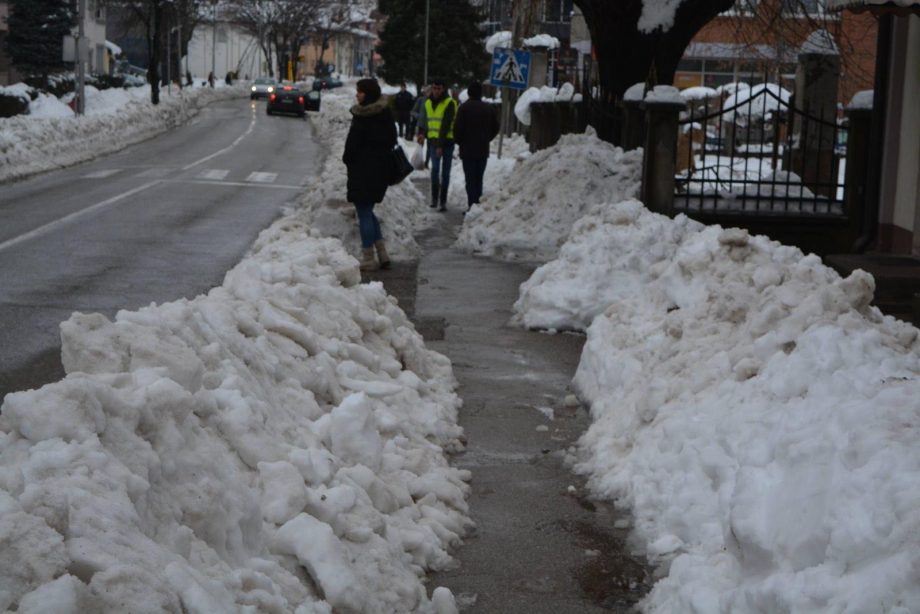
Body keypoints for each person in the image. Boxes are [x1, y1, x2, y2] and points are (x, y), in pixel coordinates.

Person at [343, 78, 396, 271]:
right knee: (368, 209)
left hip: (362, 169)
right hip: (380, 170)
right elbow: (392, 138)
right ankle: (382, 253)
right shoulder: (385, 114)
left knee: (363, 211)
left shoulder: (362, 116)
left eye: (360, 91)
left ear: (368, 94)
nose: (357, 94)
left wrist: (348, 159)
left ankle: (368, 257)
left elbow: (352, 145)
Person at [453, 80, 500, 211]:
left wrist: (460, 142)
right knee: (479, 178)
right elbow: (496, 127)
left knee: (470, 179)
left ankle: (471, 205)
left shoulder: (463, 109)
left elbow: (457, 130)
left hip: (467, 151)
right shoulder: (488, 108)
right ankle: (477, 205)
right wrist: (486, 139)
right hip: (482, 150)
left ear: (468, 93)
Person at [416, 79, 458, 211]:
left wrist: (440, 145)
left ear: (444, 89)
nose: (436, 91)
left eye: (439, 88)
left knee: (445, 173)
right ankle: (434, 199)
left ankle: (443, 201)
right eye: (434, 88)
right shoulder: (427, 102)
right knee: (434, 171)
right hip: (433, 142)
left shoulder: (449, 103)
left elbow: (445, 125)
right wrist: (421, 133)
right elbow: (424, 119)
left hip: (447, 142)